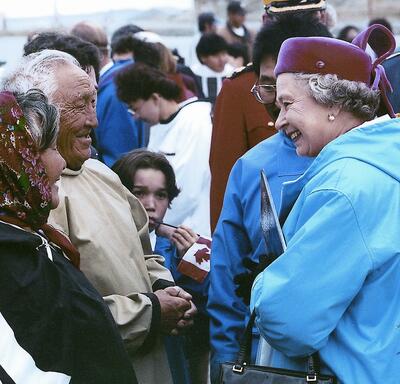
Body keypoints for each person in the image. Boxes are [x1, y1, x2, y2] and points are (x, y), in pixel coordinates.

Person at [2, 49, 196, 384]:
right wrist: (150, 314)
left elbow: (143, 250)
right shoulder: (30, 213)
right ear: (35, 113)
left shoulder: (102, 174)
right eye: (79, 105)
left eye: (94, 102)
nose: (94, 120)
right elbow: (63, 320)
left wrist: (164, 287)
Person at [251, 25, 399, 382]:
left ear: (332, 101)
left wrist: (263, 284)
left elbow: (289, 320)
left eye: (287, 103)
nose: (279, 120)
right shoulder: (384, 163)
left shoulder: (344, 188)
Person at [208, 15, 332, 383]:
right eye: (266, 86)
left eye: (289, 92)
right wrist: (229, 359)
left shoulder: (365, 156)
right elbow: (228, 271)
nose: (277, 106)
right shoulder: (251, 167)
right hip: (272, 361)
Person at [0, 90, 137, 383]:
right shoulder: (13, 264)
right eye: (50, 148)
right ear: (16, 161)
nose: (61, 163)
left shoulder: (31, 241)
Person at [113, 149, 210, 384]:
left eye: (161, 195)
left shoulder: (184, 246)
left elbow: (211, 307)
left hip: (170, 361)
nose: (150, 205)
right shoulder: (107, 240)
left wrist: (192, 263)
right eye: (139, 193)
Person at [115, 63, 213, 237]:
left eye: (136, 108)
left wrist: (158, 225)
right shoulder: (159, 126)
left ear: (155, 98)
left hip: (191, 229)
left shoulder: (196, 120)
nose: (136, 116)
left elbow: (189, 188)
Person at [191, 33, 234, 105]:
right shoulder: (192, 75)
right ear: (203, 57)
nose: (222, 59)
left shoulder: (233, 74)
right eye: (215, 55)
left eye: (223, 54)